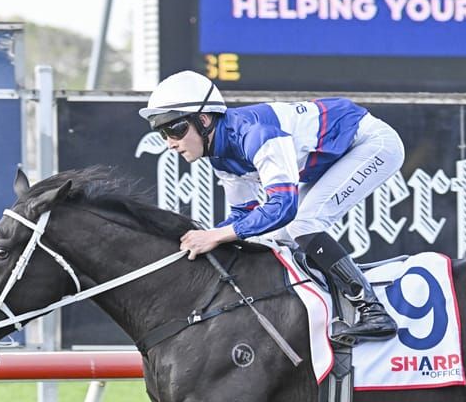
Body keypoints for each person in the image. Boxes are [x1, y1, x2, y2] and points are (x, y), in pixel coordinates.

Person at [139, 70, 402, 344]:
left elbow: (283, 208)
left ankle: (373, 311)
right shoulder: (221, 157)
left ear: (203, 120)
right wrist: (206, 242)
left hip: (371, 143)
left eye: (174, 129)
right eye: (162, 133)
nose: (170, 143)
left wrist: (215, 236)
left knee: (303, 224)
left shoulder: (255, 134)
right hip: (336, 155)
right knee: (278, 237)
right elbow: (244, 215)